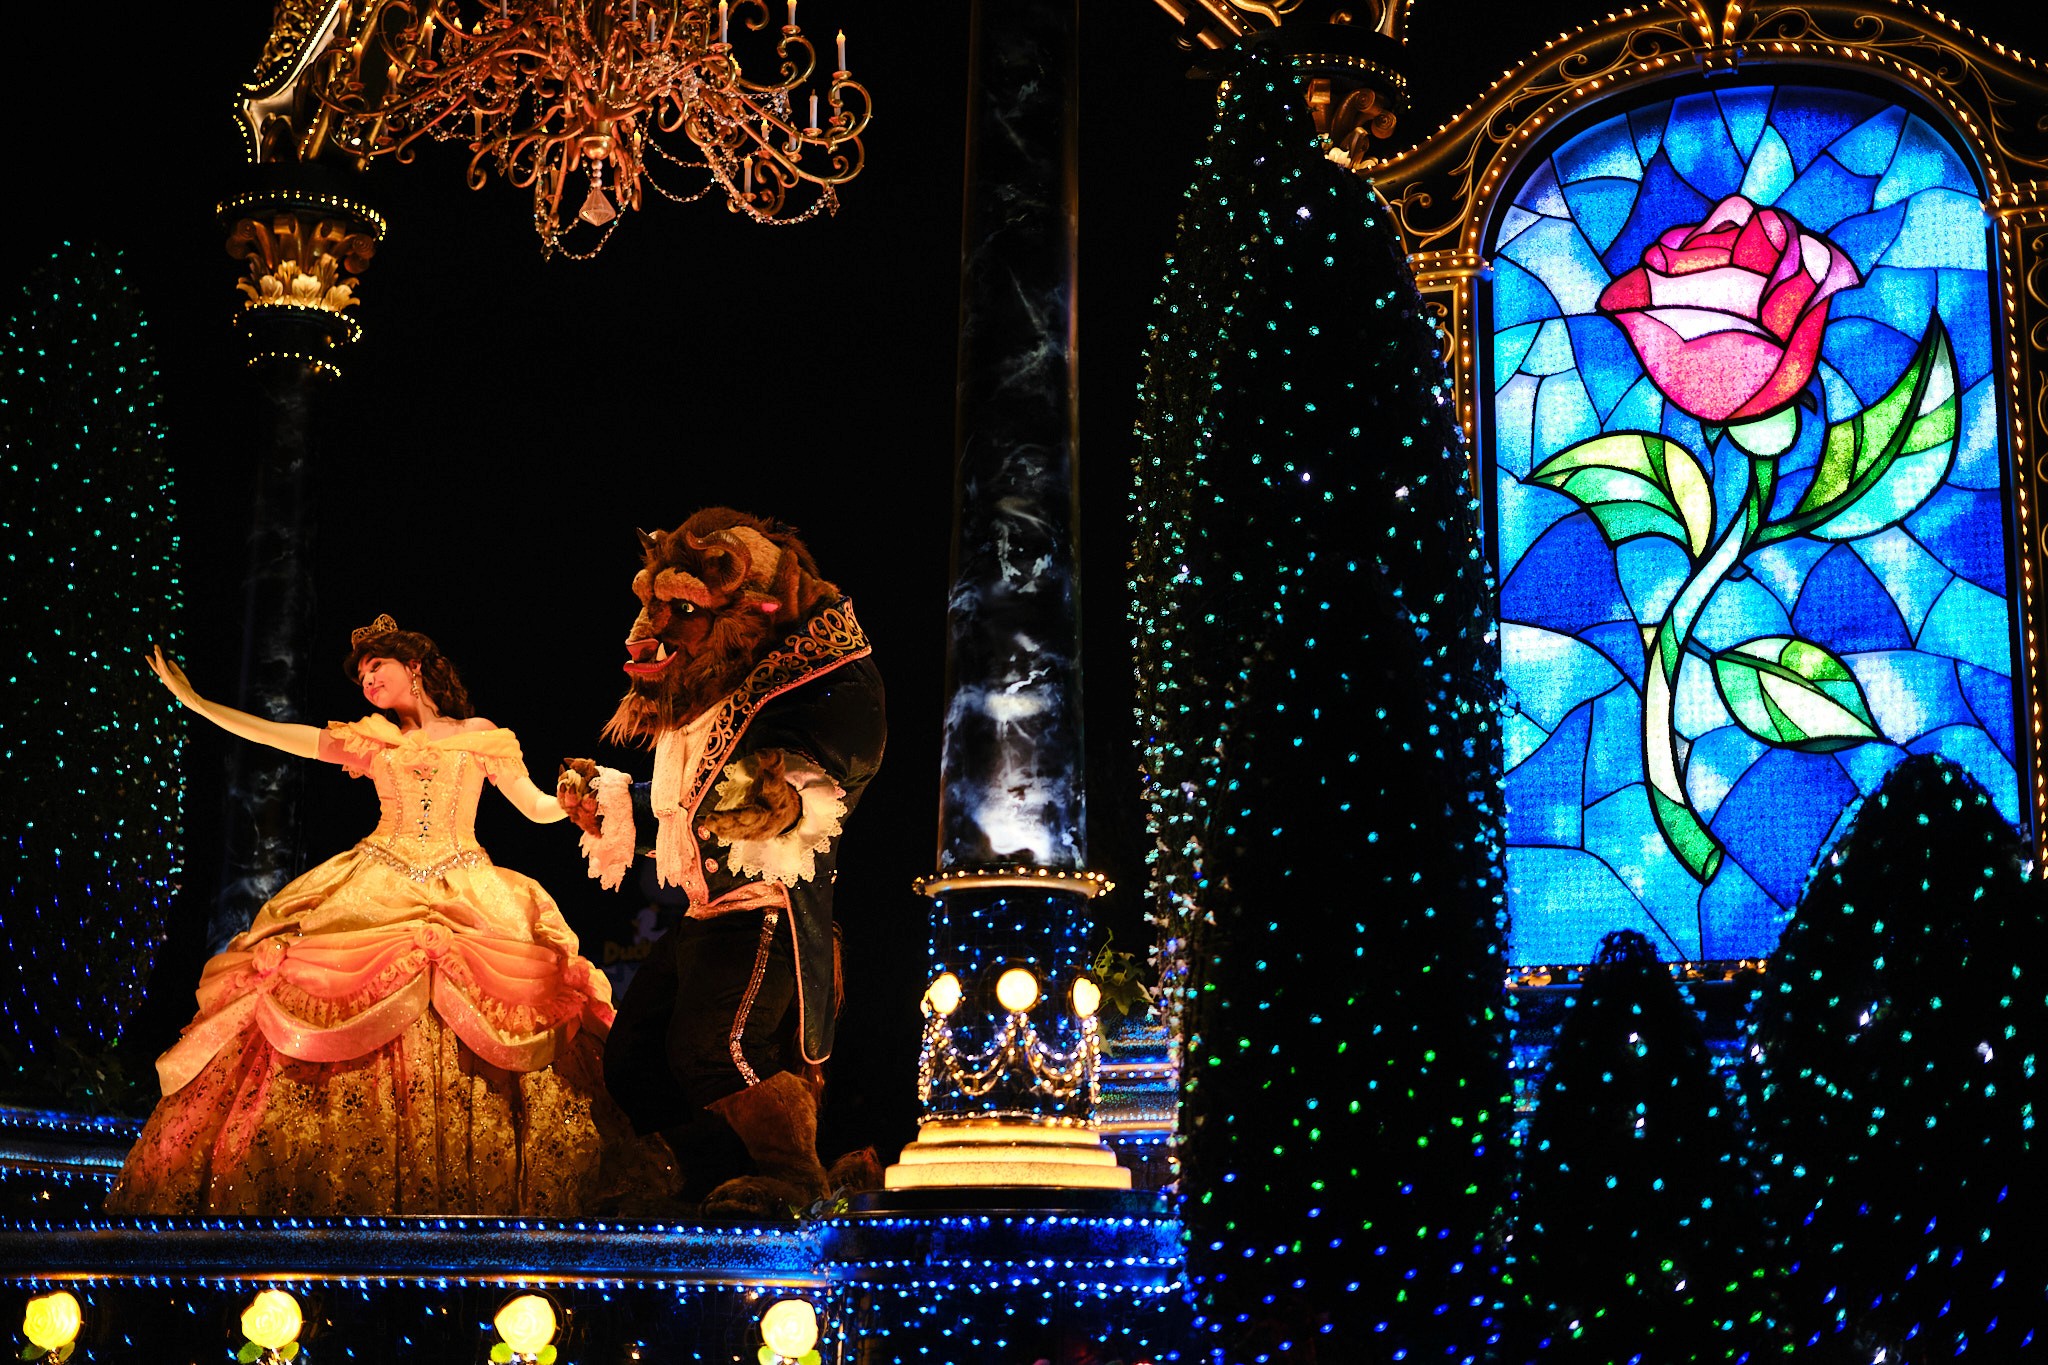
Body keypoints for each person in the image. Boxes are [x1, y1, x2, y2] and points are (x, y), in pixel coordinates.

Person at [107, 617, 663, 1215]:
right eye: (362, 675)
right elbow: (284, 736)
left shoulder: (480, 736)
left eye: (377, 667)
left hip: (468, 885)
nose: (367, 680)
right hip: (378, 879)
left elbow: (535, 807)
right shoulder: (374, 739)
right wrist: (199, 705)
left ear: (415, 667)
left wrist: (579, 801)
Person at [557, 509, 885, 1217]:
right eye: (656, 608)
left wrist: (786, 796)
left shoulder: (813, 680)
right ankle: (704, 1175)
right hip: (706, 913)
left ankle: (795, 1178)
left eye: (681, 610)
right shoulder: (713, 703)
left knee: (721, 1047)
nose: (654, 630)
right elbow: (690, 806)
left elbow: (839, 758)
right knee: (635, 1057)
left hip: (767, 908)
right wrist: (612, 806)